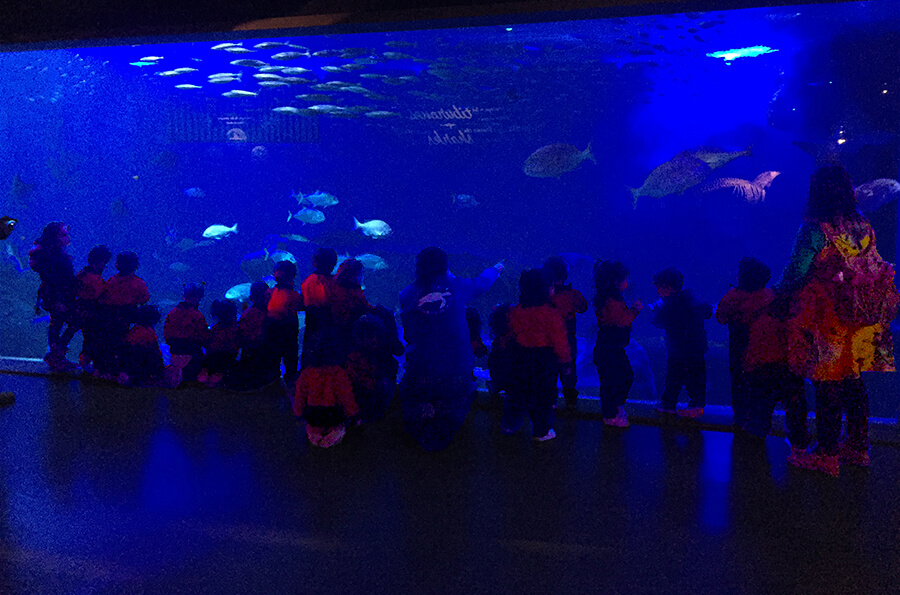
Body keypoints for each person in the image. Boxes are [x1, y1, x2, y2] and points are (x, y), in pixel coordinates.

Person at [777, 164, 898, 476]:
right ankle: (858, 448)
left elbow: (796, 270)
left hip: (827, 316)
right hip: (862, 315)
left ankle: (827, 454)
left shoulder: (816, 228)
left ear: (815, 190)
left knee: (827, 382)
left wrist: (777, 295)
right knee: (855, 381)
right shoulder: (862, 224)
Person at [398, 247, 504, 451]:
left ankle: (424, 413)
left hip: (420, 369)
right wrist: (496, 269)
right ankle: (446, 418)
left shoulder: (406, 295)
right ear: (445, 265)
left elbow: (409, 333)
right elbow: (482, 283)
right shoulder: (456, 286)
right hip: (456, 370)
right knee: (457, 394)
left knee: (416, 387)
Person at [501, 269, 570, 441]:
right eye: (551, 286)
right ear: (545, 289)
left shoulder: (516, 311)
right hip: (544, 361)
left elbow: (512, 333)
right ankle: (541, 431)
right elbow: (560, 342)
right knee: (543, 398)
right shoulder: (552, 315)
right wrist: (566, 363)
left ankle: (510, 425)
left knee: (517, 392)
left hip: (521, 358)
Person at [716, 257, 774, 429]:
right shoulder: (769, 295)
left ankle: (741, 419)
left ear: (741, 276)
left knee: (739, 381)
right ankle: (761, 423)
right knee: (761, 384)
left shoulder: (733, 296)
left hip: (739, 347)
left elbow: (721, 318)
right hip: (765, 348)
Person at [651, 267, 713, 418]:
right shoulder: (691, 298)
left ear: (667, 287)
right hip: (697, 347)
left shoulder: (670, 303)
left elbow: (658, 321)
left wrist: (657, 309)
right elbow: (707, 311)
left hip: (678, 350)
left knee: (674, 377)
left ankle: (668, 405)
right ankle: (696, 405)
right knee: (696, 377)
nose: (658, 291)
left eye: (659, 288)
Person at [593, 260, 642, 427]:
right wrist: (635, 309)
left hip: (611, 346)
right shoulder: (610, 300)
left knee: (619, 378)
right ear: (614, 281)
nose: (627, 282)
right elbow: (621, 320)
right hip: (609, 348)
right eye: (624, 278)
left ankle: (615, 408)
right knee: (615, 380)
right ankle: (610, 415)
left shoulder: (609, 297)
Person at [28, 222, 77, 371]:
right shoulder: (55, 257)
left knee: (56, 324)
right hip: (58, 295)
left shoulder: (50, 254)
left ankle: (56, 355)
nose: (67, 237)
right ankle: (57, 355)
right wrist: (60, 299)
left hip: (52, 294)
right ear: (54, 237)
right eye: (63, 235)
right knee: (73, 322)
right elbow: (57, 279)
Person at [543, 255, 589, 411]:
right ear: (565, 274)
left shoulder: (542, 294)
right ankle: (570, 401)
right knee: (568, 369)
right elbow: (583, 307)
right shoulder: (571, 294)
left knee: (549, 370)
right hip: (567, 339)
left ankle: (550, 402)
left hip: (546, 340)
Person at [99, 251, 151, 377]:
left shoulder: (111, 281)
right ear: (136, 266)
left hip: (110, 315)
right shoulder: (139, 283)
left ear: (117, 265)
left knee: (110, 342)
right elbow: (144, 298)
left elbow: (104, 298)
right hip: (129, 314)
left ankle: (107, 369)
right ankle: (124, 369)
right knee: (126, 342)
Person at [345, 309, 402, 423]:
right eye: (363, 337)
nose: (368, 341)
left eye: (372, 337)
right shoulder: (354, 358)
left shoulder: (386, 359)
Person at [74, 244, 112, 373]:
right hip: (92, 313)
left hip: (84, 311)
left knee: (89, 338)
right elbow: (98, 296)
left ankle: (86, 362)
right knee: (93, 339)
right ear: (98, 262)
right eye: (103, 263)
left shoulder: (82, 274)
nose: (104, 266)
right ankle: (89, 364)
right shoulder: (93, 278)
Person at [327, 258, 373, 362]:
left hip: (332, 330)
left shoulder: (332, 286)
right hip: (350, 332)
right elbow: (365, 308)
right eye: (361, 273)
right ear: (355, 275)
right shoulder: (355, 291)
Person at [266, 260, 304, 386]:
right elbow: (302, 306)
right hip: (289, 332)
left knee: (274, 358)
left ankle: (273, 384)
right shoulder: (293, 295)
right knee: (290, 358)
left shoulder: (270, 293)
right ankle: (290, 381)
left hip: (273, 332)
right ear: (292, 277)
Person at [163, 282, 209, 384]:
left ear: (184, 296)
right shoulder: (197, 315)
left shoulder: (173, 312)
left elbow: (167, 334)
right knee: (192, 380)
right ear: (198, 297)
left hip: (176, 351)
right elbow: (204, 335)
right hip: (193, 353)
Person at [299, 248, 337, 370]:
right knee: (329, 361)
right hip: (331, 324)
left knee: (310, 358)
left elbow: (304, 301)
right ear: (334, 264)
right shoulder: (335, 282)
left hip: (312, 324)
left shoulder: (308, 281)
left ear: (314, 263)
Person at [236, 281, 274, 389]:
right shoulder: (272, 313)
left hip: (249, 352)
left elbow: (241, 333)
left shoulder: (247, 313)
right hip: (267, 352)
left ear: (251, 297)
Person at [119, 305, 165, 386]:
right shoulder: (148, 333)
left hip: (133, 368)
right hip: (142, 370)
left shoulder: (136, 330)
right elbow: (153, 353)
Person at [199, 299, 239, 387]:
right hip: (227, 360)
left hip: (210, 358)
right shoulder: (235, 329)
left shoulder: (215, 328)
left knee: (206, 372)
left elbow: (206, 342)